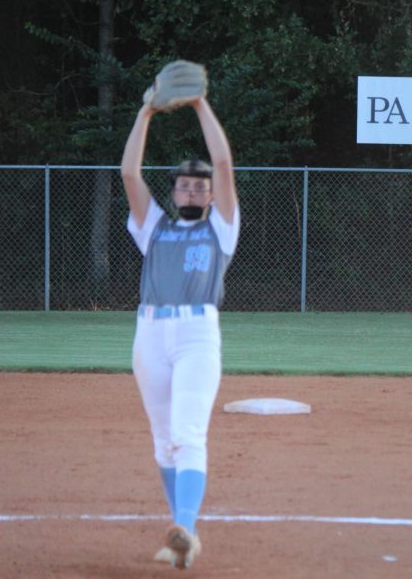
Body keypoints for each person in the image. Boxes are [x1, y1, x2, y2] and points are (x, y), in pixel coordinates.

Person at [120, 92, 239, 569]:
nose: (191, 191)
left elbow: (224, 161)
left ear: (211, 195)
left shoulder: (221, 230)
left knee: (188, 433)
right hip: (149, 336)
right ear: (174, 193)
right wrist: (144, 111)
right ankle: (181, 534)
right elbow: (130, 173)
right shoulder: (154, 228)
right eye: (184, 186)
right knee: (162, 439)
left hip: (196, 335)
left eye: (199, 187)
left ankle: (186, 528)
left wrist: (200, 105)